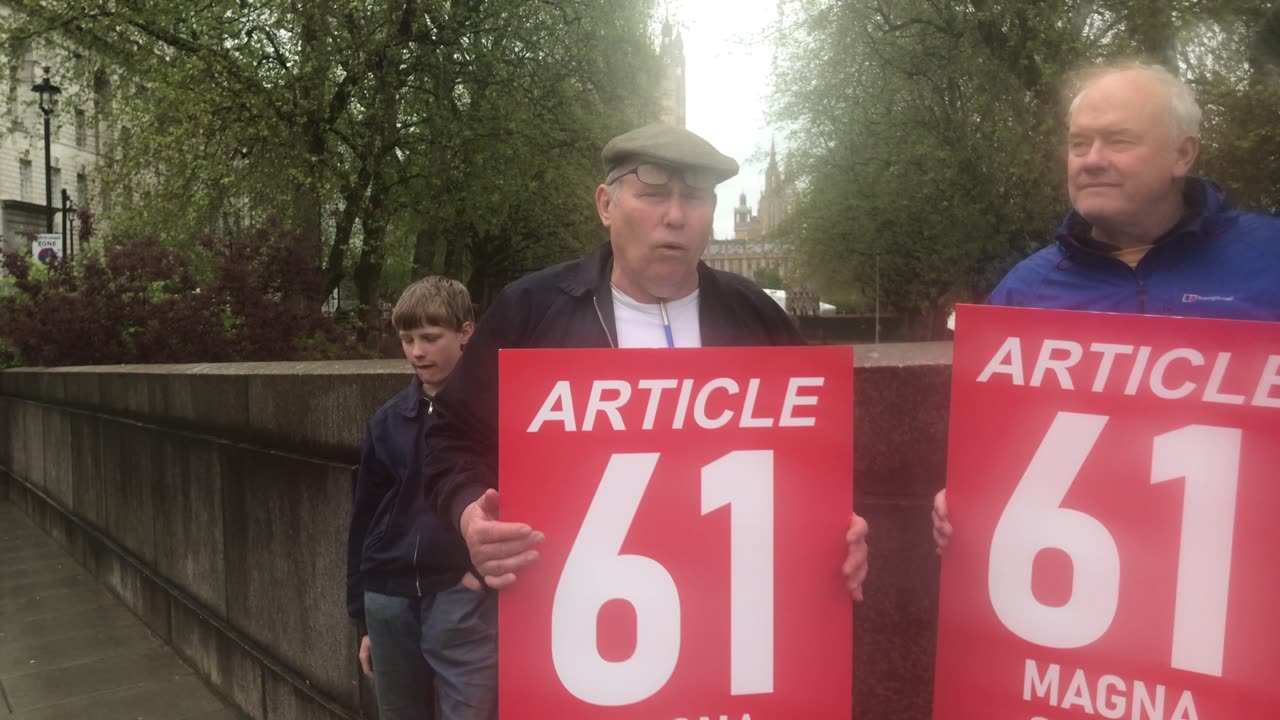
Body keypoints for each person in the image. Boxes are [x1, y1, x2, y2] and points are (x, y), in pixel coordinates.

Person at [423, 123, 870, 602]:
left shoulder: (755, 315)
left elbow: (823, 453)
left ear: (713, 213)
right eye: (653, 194)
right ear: (606, 205)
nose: (675, 215)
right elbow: (448, 437)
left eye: (695, 197)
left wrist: (847, 524)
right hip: (565, 626)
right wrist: (469, 511)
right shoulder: (531, 311)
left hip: (730, 618)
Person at [932, 61, 1280, 551]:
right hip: (1077, 596)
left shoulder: (1269, 260)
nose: (1092, 160)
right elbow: (988, 454)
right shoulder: (1023, 293)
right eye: (1079, 144)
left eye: (1118, 141)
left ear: (1182, 154)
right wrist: (962, 506)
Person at [345, 276, 495, 720]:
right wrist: (364, 621)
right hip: (387, 598)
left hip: (460, 594)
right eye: (407, 339)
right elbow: (364, 518)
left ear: (466, 333)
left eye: (430, 338)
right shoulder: (388, 420)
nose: (416, 352)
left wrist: (476, 576)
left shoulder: (492, 418)